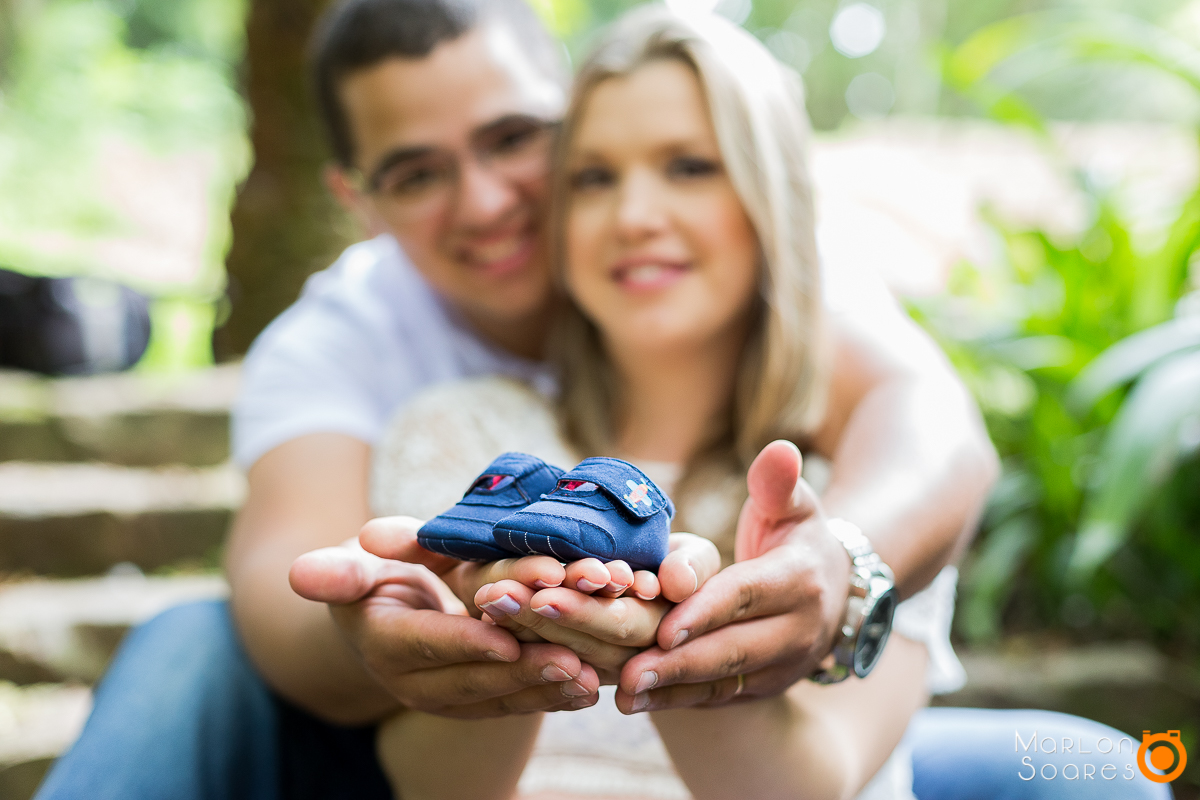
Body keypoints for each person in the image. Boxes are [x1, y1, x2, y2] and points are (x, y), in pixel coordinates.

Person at [33, 1, 1169, 798]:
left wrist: (774, 604)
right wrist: (488, 636)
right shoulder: (411, 394)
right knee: (185, 640)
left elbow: (934, 429)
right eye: (597, 176)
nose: (630, 213)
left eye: (518, 143)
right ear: (358, 198)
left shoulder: (822, 470)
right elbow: (296, 604)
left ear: (774, 203)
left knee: (1104, 768)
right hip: (372, 733)